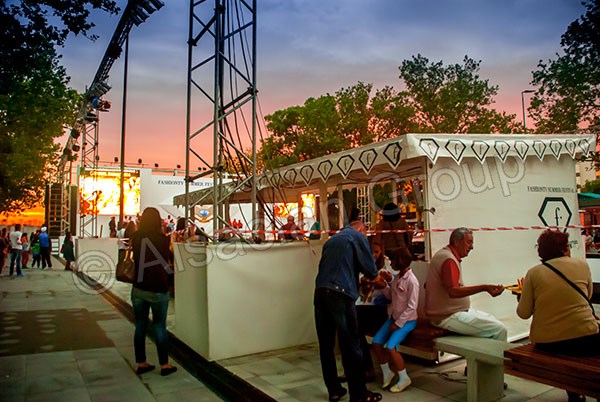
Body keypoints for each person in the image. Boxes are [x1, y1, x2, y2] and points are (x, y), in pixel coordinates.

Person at [516, 230, 600, 402]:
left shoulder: (534, 273)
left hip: (548, 342)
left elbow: (523, 313)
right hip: (585, 337)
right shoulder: (582, 265)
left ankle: (575, 395)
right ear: (564, 248)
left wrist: (521, 297)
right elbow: (588, 296)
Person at [314, 220, 382, 402]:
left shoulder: (331, 241)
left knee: (326, 345)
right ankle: (359, 395)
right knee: (351, 345)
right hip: (341, 294)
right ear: (362, 230)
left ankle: (334, 390)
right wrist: (376, 277)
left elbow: (334, 268)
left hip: (320, 293)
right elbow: (370, 270)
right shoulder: (357, 237)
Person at [425, 227, 507, 341]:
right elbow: (453, 291)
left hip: (451, 313)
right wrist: (484, 288)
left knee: (493, 320)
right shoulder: (448, 259)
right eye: (469, 242)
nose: (472, 247)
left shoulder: (446, 255)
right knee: (499, 329)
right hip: (446, 316)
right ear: (456, 241)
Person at [130, 207, 177, 377]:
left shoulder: (136, 238)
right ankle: (164, 364)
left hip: (139, 287)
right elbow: (170, 258)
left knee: (140, 325)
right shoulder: (163, 239)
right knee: (159, 326)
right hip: (158, 288)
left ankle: (141, 363)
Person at [372, 249, 418, 393]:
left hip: (407, 321)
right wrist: (384, 286)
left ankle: (404, 378)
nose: (390, 263)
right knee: (376, 342)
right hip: (394, 318)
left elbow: (412, 307)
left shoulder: (412, 281)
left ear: (400, 261)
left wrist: (398, 324)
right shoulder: (397, 278)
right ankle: (387, 372)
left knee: (390, 346)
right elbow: (392, 297)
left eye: (392, 260)